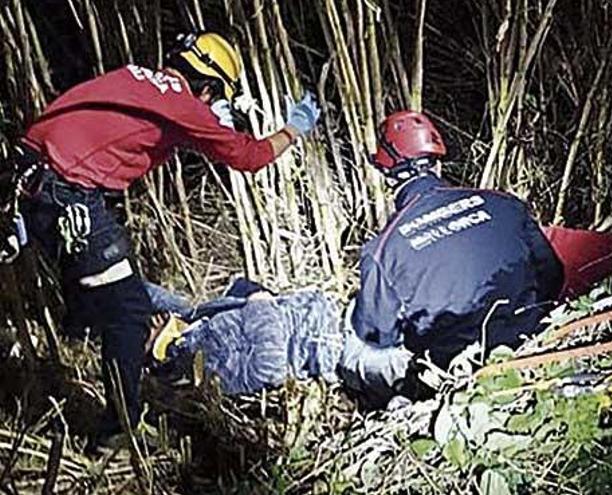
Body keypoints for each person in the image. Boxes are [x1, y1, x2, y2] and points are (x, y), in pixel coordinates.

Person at [7, 32, 321, 446]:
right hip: (68, 193)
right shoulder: (184, 104)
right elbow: (250, 157)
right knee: (130, 311)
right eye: (212, 98)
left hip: (28, 176)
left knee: (105, 289)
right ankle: (121, 428)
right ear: (207, 87)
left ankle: (77, 344)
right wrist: (293, 130)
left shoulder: (133, 77)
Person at [338, 111, 566, 407]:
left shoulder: (382, 249)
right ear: (438, 161)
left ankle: (398, 405)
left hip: (456, 371)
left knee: (359, 341)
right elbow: (553, 274)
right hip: (532, 339)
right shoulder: (503, 203)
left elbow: (378, 337)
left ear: (386, 173)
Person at [144, 279, 343, 395]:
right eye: (144, 332)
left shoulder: (191, 321)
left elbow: (135, 290)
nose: (153, 320)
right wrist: (260, 309)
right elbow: (269, 369)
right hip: (333, 344)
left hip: (331, 310)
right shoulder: (201, 361)